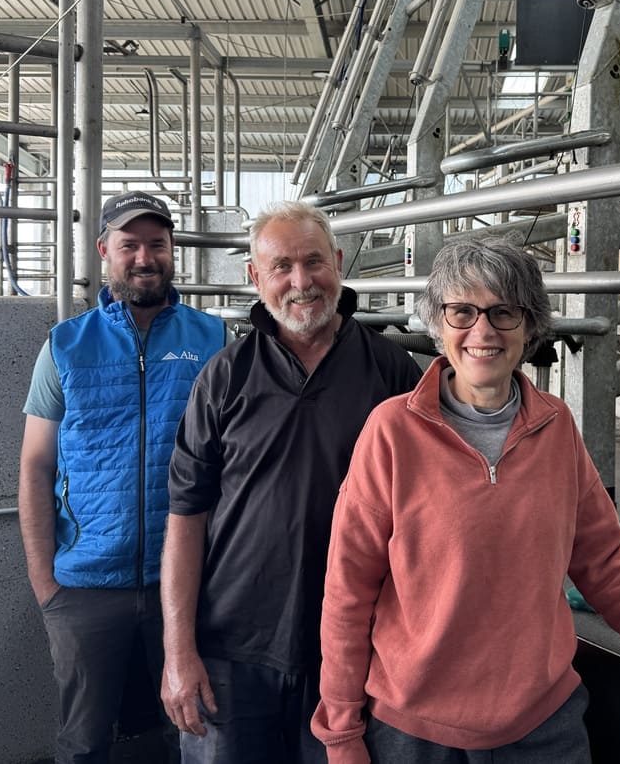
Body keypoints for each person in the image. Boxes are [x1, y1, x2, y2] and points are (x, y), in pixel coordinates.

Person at [312, 237, 620, 763]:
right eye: (462, 311)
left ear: (530, 325)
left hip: (542, 730)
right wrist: (341, 734)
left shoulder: (556, 427)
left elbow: (606, 567)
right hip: (413, 735)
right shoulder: (392, 432)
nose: (483, 331)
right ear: (438, 322)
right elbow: (347, 595)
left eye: (504, 312)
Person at [160, 200, 423, 763]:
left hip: (355, 651)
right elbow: (186, 515)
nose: (301, 282)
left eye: (314, 262)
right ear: (255, 278)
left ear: (339, 261)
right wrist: (178, 652)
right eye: (281, 267)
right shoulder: (225, 376)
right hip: (231, 651)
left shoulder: (394, 373)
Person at [18, 190, 227, 764]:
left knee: (188, 730)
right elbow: (36, 465)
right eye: (129, 245)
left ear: (171, 252)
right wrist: (47, 585)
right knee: (84, 740)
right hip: (85, 586)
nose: (144, 257)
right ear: (104, 251)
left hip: (186, 583)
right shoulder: (66, 344)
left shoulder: (213, 340)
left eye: (156, 244)